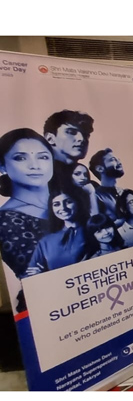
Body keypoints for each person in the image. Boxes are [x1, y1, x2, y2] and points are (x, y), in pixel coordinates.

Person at [0, 129, 53, 308]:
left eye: (43, 157)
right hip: (48, 309)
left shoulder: (72, 202)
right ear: (2, 167)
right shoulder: (6, 220)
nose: (35, 165)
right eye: (20, 158)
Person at [27, 187, 91, 274]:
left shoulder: (93, 232)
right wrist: (37, 275)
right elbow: (30, 274)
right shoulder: (45, 242)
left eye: (68, 202)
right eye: (56, 204)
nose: (63, 208)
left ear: (78, 203)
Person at [42, 110, 94, 191]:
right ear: (50, 138)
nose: (82, 139)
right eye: (71, 132)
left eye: (86, 135)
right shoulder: (38, 178)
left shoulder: (91, 186)